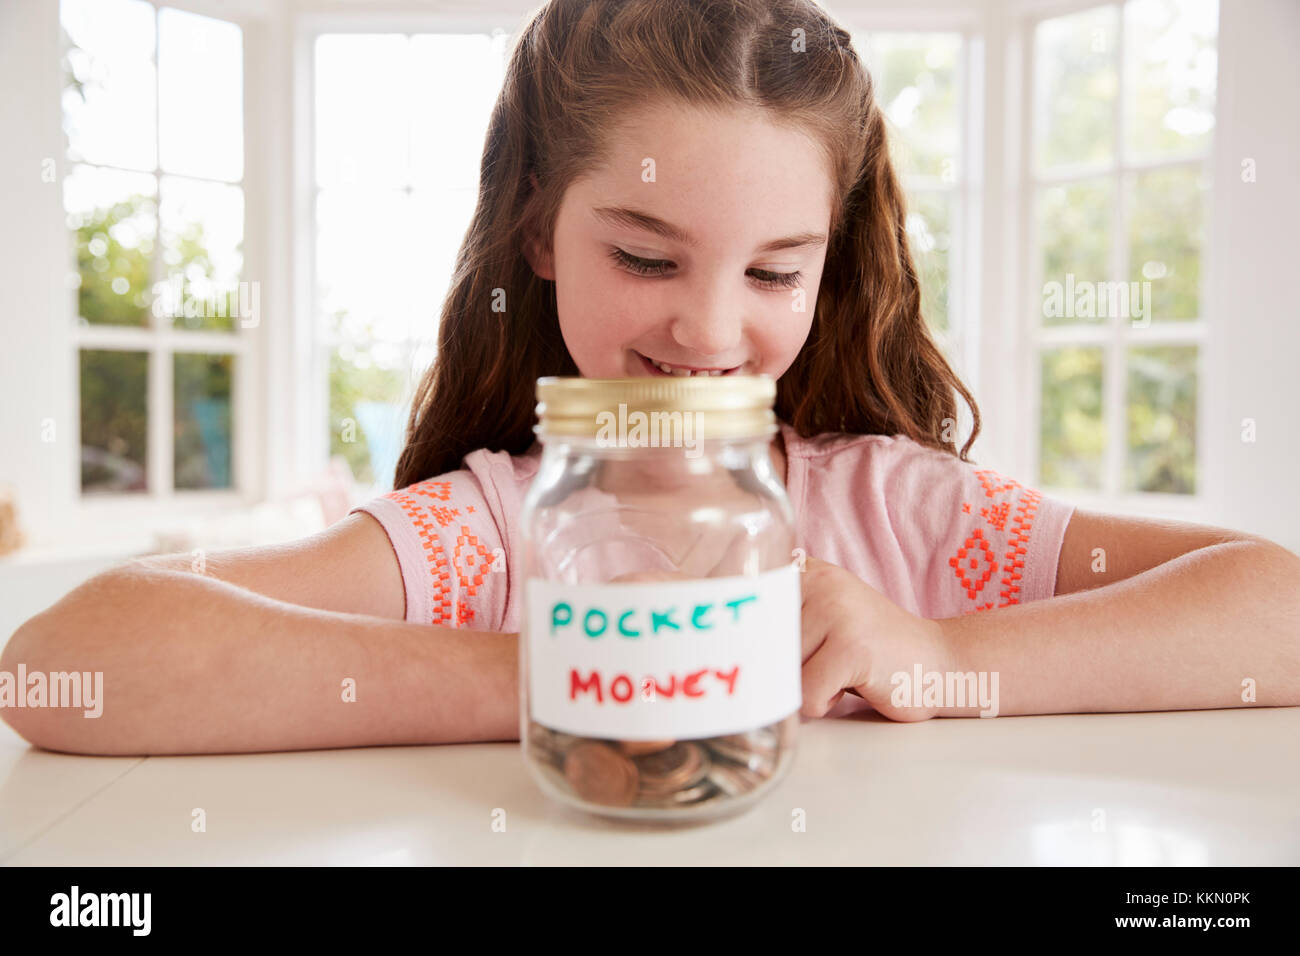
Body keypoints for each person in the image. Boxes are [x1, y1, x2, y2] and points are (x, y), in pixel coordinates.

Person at [4, 0, 1296, 756]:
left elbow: (1274, 605)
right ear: (538, 236)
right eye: (644, 253)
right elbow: (63, 663)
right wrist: (563, 673)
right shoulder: (494, 531)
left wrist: (945, 652)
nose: (708, 330)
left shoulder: (908, 518)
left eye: (775, 273)